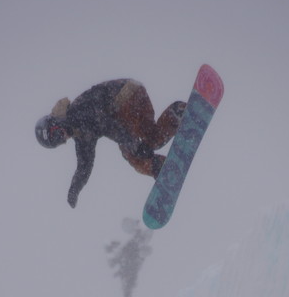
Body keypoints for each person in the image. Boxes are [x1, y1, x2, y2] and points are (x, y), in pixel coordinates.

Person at [35, 79, 186, 208]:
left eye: (56, 133)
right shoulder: (80, 134)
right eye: (58, 141)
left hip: (123, 100)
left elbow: (109, 125)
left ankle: (160, 168)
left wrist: (133, 145)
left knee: (133, 154)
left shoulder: (77, 113)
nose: (62, 138)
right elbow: (84, 165)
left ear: (55, 121)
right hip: (135, 92)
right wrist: (74, 189)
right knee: (152, 139)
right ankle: (177, 113)